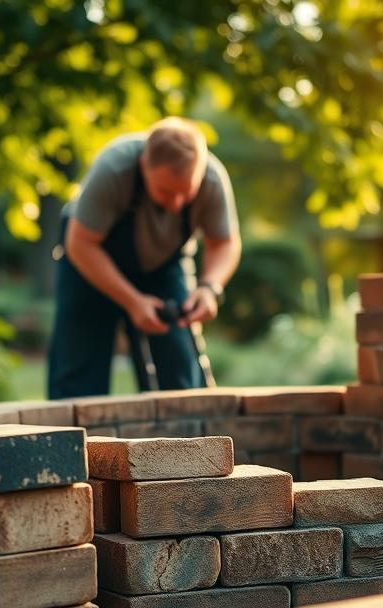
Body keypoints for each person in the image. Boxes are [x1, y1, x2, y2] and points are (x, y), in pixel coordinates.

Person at [48, 117, 241, 398]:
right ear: (143, 167)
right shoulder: (114, 169)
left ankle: (186, 441)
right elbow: (80, 244)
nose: (176, 204)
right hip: (90, 262)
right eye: (165, 192)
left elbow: (224, 243)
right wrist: (132, 301)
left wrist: (210, 288)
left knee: (180, 368)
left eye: (186, 193)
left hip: (164, 267)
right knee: (78, 374)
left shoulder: (212, 179)